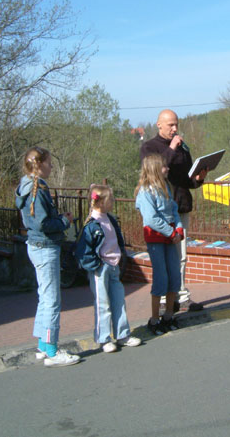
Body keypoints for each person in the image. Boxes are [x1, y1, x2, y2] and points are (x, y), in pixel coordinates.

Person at [15, 147, 81, 367]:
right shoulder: (37, 189)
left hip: (35, 246)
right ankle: (52, 351)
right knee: (52, 300)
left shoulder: (25, 186)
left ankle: (43, 345)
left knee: (44, 297)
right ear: (40, 164)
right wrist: (64, 221)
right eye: (50, 163)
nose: (52, 167)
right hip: (45, 247)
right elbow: (43, 224)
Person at [140, 109, 207, 311]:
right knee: (162, 258)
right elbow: (153, 172)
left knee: (181, 255)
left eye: (176, 124)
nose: (175, 128)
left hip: (181, 206)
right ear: (159, 125)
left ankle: (181, 296)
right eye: (170, 125)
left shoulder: (182, 147)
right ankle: (163, 301)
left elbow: (186, 179)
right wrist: (171, 148)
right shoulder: (149, 147)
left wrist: (199, 178)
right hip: (160, 211)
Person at [75, 184, 142, 353]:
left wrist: (120, 257)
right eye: (110, 199)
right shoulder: (92, 224)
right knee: (102, 303)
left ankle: (122, 334)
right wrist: (95, 265)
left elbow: (117, 240)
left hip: (114, 265)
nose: (113, 201)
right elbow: (84, 250)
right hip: (100, 267)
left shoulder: (110, 219)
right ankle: (104, 338)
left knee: (119, 300)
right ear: (101, 202)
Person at [135, 154, 184, 335]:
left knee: (174, 276)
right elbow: (151, 219)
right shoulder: (145, 192)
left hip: (171, 238)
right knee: (161, 278)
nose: (167, 169)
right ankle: (154, 319)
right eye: (164, 167)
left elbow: (174, 210)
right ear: (156, 169)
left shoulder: (166, 188)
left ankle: (169, 315)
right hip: (156, 238)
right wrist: (171, 232)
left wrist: (178, 229)